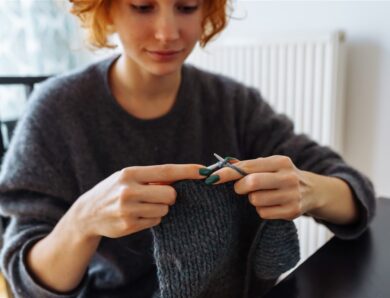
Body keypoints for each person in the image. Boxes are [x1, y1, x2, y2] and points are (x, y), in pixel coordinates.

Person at [0, 0, 376, 297]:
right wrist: (83, 220)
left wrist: (309, 190)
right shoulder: (57, 111)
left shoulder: (232, 103)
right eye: (143, 6)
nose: (167, 32)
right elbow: (25, 282)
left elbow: (355, 196)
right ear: (105, 9)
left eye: (187, 7)